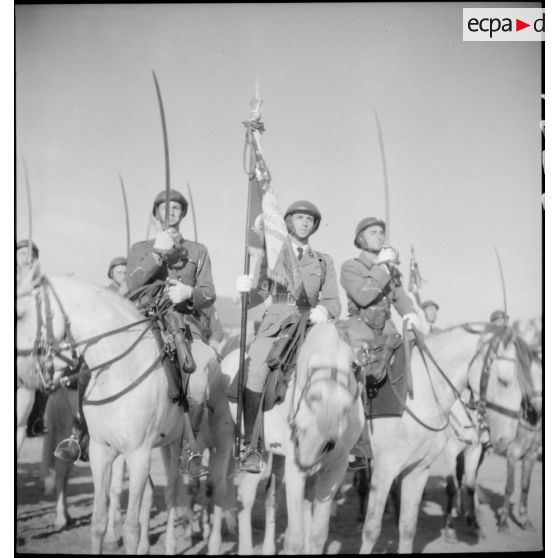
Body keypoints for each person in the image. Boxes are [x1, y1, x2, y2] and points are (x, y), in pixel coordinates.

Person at [235, 200, 341, 473]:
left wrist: (324, 311)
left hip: (310, 325)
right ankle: (251, 445)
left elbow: (333, 300)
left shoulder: (323, 261)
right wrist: (245, 290)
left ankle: (343, 438)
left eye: (309, 219)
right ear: (289, 222)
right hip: (276, 325)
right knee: (256, 370)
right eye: (299, 218)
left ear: (314, 226)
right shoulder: (273, 254)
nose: (304, 223)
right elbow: (259, 293)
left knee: (342, 367)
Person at [125, 188, 218, 477]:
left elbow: (209, 292)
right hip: (143, 323)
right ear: (156, 214)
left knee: (199, 379)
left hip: (184, 325)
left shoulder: (198, 251)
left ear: (182, 214)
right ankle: (83, 433)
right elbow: (132, 285)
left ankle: (189, 449)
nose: (171, 211)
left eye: (176, 207)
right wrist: (157, 253)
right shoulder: (140, 248)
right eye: (164, 207)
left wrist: (190, 293)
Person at [339, 217, 420, 469]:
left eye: (381, 233)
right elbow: (364, 296)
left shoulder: (390, 270)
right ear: (360, 238)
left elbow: (400, 297)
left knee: (412, 360)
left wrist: (410, 312)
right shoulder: (351, 267)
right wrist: (382, 267)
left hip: (386, 329)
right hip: (359, 329)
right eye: (373, 232)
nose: (379, 236)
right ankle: (356, 441)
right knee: (356, 374)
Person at [55, 258, 130, 463]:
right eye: (119, 272)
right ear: (111, 274)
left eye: (126, 272)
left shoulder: (136, 293)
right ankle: (81, 432)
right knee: (84, 375)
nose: (123, 275)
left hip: (129, 349)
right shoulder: (104, 294)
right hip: (105, 350)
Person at [17, 239, 50, 437]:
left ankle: (37, 419)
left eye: (31, 254)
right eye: (22, 253)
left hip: (31, 346)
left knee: (44, 377)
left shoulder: (41, 284)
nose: (26, 258)